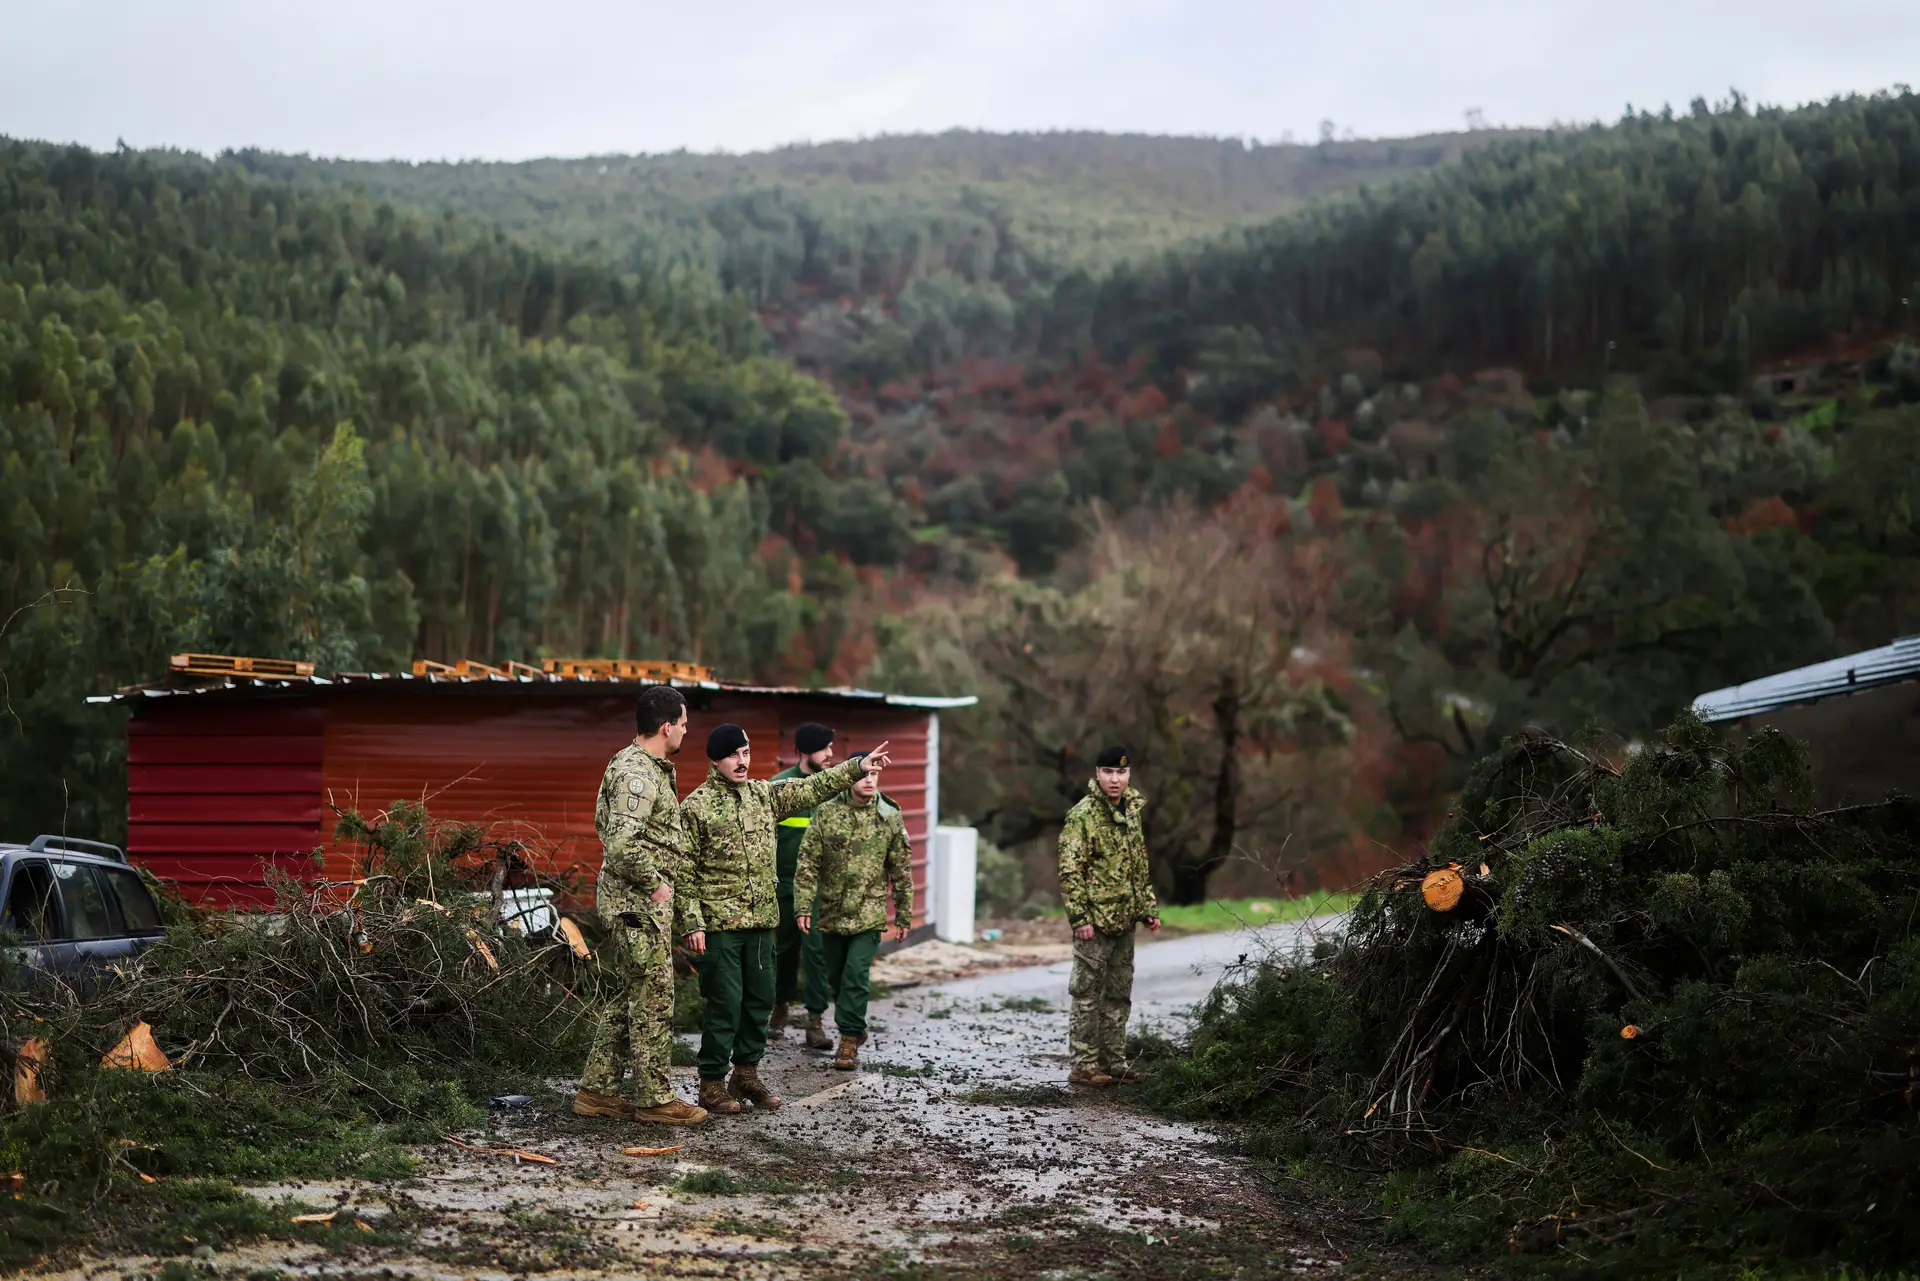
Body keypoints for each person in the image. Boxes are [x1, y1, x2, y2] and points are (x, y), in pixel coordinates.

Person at [678, 723, 891, 1114]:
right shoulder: (695, 807)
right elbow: (683, 870)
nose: (742, 762)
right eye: (733, 755)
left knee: (760, 1000)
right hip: (720, 925)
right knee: (725, 1003)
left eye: (746, 753)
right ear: (715, 760)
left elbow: (813, 788)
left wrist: (858, 766)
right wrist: (691, 923)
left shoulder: (764, 794)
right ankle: (711, 1083)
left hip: (761, 922)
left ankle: (745, 1075)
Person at [574, 685, 709, 1125]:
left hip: (637, 904)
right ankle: (655, 1100)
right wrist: (655, 884)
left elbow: (603, 823)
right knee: (653, 998)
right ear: (666, 727)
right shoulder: (637, 773)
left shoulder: (644, 765)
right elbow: (620, 841)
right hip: (637, 905)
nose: (687, 732)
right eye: (684, 724)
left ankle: (597, 1093)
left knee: (626, 997)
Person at [793, 753, 914, 1071]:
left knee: (856, 977)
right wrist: (803, 905)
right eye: (864, 774)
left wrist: (903, 914)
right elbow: (808, 863)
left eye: (875, 775)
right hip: (831, 911)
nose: (870, 780)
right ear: (850, 777)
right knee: (835, 976)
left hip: (869, 913)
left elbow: (900, 870)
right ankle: (854, 1024)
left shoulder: (889, 815)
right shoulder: (827, 812)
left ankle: (848, 1040)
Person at [1057, 745, 1160, 1088]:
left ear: (1129, 775)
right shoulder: (1082, 815)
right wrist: (1080, 918)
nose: (1115, 780)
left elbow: (1138, 865)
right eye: (1108, 772)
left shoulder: (1132, 811)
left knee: (1119, 993)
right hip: (1095, 922)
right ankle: (1084, 1066)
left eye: (1121, 773)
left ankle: (1113, 1061)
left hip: (1125, 920)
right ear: (1097, 774)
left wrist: (1147, 909)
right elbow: (1071, 871)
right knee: (1087, 994)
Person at [769, 722, 835, 1045]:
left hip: (819, 890)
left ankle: (815, 1021)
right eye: (825, 748)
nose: (831, 754)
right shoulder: (780, 787)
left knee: (815, 952)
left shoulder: (832, 789)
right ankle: (780, 1006)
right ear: (807, 751)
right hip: (785, 887)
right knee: (785, 950)